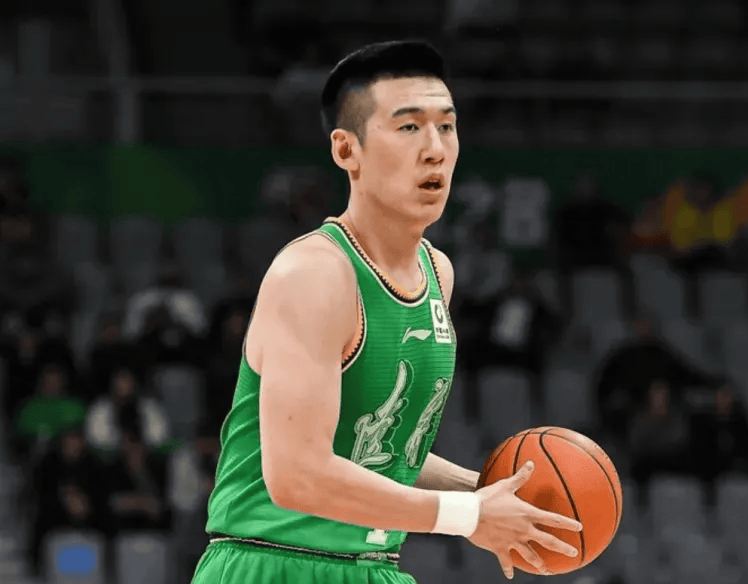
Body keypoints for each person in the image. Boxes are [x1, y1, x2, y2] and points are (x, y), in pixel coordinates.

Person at [190, 40, 582, 584]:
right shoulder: (314, 274)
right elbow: (297, 475)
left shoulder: (437, 273)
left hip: (374, 567)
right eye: (409, 127)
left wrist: (488, 493)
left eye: (447, 127)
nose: (435, 149)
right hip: (272, 563)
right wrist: (468, 516)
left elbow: (378, 451)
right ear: (346, 150)